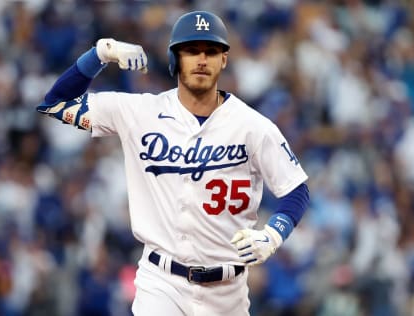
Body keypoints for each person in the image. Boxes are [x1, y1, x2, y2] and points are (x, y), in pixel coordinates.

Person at [37, 10, 310, 316]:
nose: (202, 60)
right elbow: (55, 104)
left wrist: (272, 235)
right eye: (191, 51)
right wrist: (100, 54)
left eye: (211, 51)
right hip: (161, 283)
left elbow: (296, 190)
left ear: (224, 60)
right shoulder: (140, 112)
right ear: (175, 59)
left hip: (228, 292)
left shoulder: (253, 126)